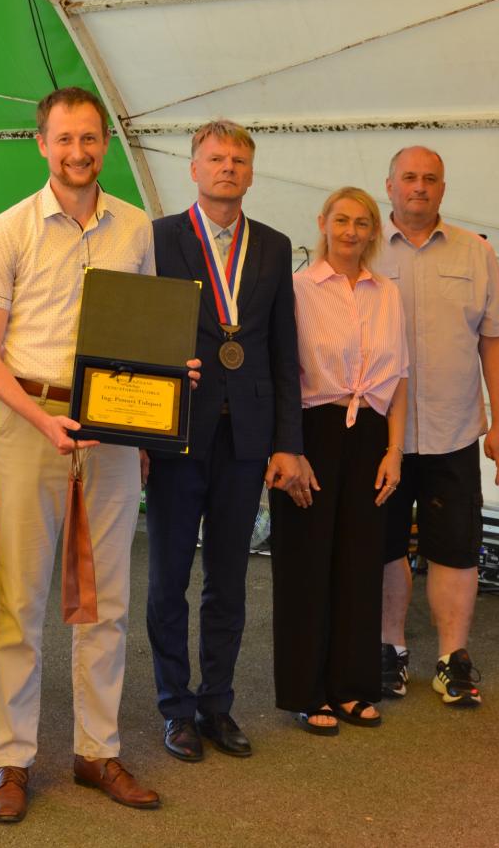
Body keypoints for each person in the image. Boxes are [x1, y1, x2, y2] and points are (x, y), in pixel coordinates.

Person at [0, 86, 166, 822]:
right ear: (42, 144)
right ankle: (12, 760)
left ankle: (96, 751)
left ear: (104, 143)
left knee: (106, 600)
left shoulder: (136, 228)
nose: (77, 152)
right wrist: (43, 421)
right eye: (64, 139)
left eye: (89, 138)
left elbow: (144, 331)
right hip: (30, 424)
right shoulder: (7, 230)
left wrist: (164, 391)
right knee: (22, 604)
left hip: (112, 431)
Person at [144, 119, 302, 762]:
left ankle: (217, 703)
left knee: (229, 579)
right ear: (193, 168)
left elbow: (284, 349)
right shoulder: (158, 238)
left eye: (238, 159)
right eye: (216, 158)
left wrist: (288, 441)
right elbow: (139, 333)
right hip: (177, 431)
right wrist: (138, 434)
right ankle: (175, 708)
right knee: (168, 578)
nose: (228, 168)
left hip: (247, 436)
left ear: (251, 172)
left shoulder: (274, 246)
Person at [373, 146, 499, 707]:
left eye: (430, 178)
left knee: (455, 549)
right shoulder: (362, 246)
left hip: (453, 431)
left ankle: (451, 658)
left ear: (443, 188)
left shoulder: (476, 252)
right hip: (381, 437)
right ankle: (389, 651)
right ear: (389, 186)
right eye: (409, 177)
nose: (419, 186)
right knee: (384, 546)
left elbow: (496, 341)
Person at [270, 186, 407, 735]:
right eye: (342, 220)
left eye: (362, 222)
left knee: (360, 562)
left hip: (371, 434)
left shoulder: (388, 293)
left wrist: (395, 451)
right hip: (310, 431)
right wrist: (288, 448)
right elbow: (282, 372)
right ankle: (307, 691)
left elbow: (400, 378)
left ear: (374, 231)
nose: (351, 231)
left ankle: (352, 686)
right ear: (323, 222)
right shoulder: (298, 289)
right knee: (306, 565)